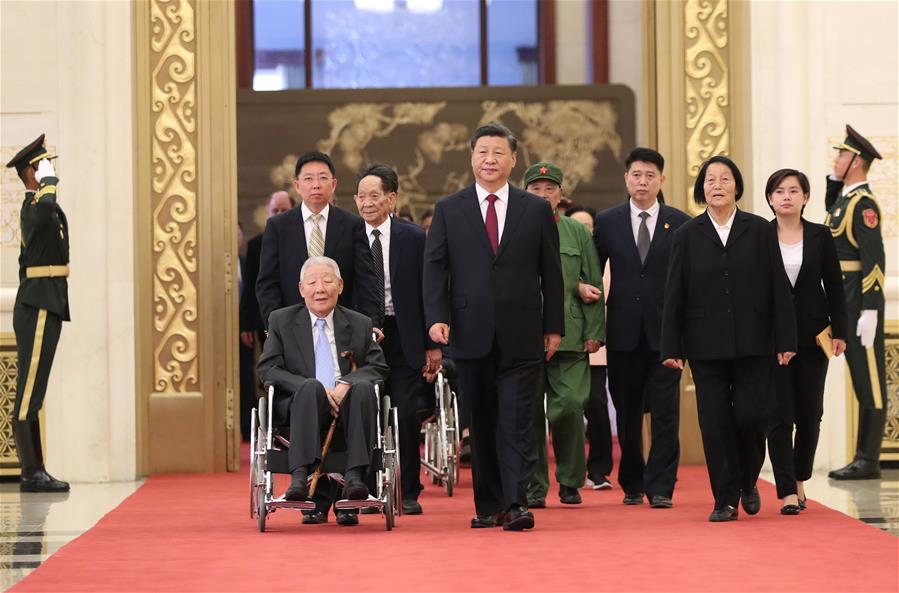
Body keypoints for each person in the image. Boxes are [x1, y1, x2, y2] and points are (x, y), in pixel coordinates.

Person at [423, 123, 564, 531]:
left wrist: (553, 325)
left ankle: (517, 503)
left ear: (513, 160)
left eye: (498, 152)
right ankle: (487, 505)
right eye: (483, 152)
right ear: (471, 158)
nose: (490, 159)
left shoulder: (535, 209)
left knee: (517, 421)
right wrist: (437, 317)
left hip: (523, 332)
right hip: (469, 332)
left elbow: (551, 273)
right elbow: (435, 269)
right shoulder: (450, 208)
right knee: (482, 422)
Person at [661, 155, 797, 522]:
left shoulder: (759, 229)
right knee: (716, 422)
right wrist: (671, 346)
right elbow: (675, 292)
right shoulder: (687, 234)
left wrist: (786, 339)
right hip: (705, 345)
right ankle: (725, 497)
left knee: (753, 416)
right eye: (709, 179)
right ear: (701, 188)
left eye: (724, 179)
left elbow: (779, 288)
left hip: (756, 341)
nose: (716, 185)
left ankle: (747, 479)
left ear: (737, 185)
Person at [257, 257, 389, 526]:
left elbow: (378, 367)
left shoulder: (360, 323)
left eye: (327, 281)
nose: (320, 288)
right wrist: (310, 387)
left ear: (340, 286)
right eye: (312, 282)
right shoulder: (281, 320)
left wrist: (347, 383)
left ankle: (354, 478)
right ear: (301, 288)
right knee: (309, 387)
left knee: (363, 387)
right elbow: (268, 368)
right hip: (301, 404)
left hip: (349, 405)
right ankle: (299, 478)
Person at [593, 147, 690, 508]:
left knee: (666, 412)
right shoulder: (608, 221)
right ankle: (633, 481)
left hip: (666, 335)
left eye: (650, 175)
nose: (643, 182)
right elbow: (592, 270)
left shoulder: (680, 223)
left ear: (661, 180)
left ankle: (662, 485)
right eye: (636, 174)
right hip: (622, 332)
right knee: (628, 412)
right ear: (626, 179)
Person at [353, 163, 442, 515]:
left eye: (375, 195)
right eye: (360, 196)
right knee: (367, 412)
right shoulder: (349, 236)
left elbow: (429, 290)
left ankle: (408, 490)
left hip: (405, 336)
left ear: (392, 198)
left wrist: (432, 342)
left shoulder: (413, 237)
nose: (367, 202)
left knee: (405, 413)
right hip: (362, 338)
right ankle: (372, 488)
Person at [764, 168, 848, 514]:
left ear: (805, 197)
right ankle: (786, 489)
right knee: (779, 414)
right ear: (769, 198)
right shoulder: (759, 236)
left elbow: (835, 286)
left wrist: (840, 330)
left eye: (793, 191)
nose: (786, 196)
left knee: (810, 414)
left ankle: (800, 477)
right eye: (779, 191)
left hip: (814, 337)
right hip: (772, 339)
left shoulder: (820, 235)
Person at [522, 163, 605, 508]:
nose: (543, 195)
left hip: (570, 336)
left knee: (569, 407)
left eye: (549, 189)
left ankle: (570, 479)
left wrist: (594, 331)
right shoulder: (516, 228)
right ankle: (534, 487)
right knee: (527, 414)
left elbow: (594, 282)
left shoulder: (576, 232)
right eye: (536, 189)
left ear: (561, 195)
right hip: (524, 333)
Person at [5, 134, 70, 492]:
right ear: (32, 172)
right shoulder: (35, 208)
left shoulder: (41, 208)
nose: (51, 169)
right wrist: (48, 183)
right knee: (30, 390)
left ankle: (36, 469)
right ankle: (32, 471)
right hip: (40, 304)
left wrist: (47, 185)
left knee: (36, 388)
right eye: (45, 164)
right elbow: (45, 210)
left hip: (47, 301)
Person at [255, 151, 381, 331]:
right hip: (291, 327)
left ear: (334, 184)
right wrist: (274, 326)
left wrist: (372, 324)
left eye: (322, 178)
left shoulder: (352, 224)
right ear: (297, 185)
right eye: (308, 179)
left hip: (342, 326)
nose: (316, 185)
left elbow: (366, 280)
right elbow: (267, 283)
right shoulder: (278, 226)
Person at [824, 125, 887, 480]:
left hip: (857, 302)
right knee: (860, 378)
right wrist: (835, 182)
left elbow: (874, 262)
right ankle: (863, 457)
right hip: (843, 299)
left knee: (870, 380)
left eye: (842, 155)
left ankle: (869, 458)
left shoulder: (863, 205)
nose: (837, 158)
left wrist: (870, 309)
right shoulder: (845, 201)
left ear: (857, 162)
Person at [238, 191, 294, 440]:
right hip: (267, 321)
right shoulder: (256, 244)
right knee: (272, 372)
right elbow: (253, 287)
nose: (279, 215)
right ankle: (274, 423)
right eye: (275, 211)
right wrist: (247, 323)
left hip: (301, 317)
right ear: (268, 213)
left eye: (284, 210)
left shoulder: (300, 238)